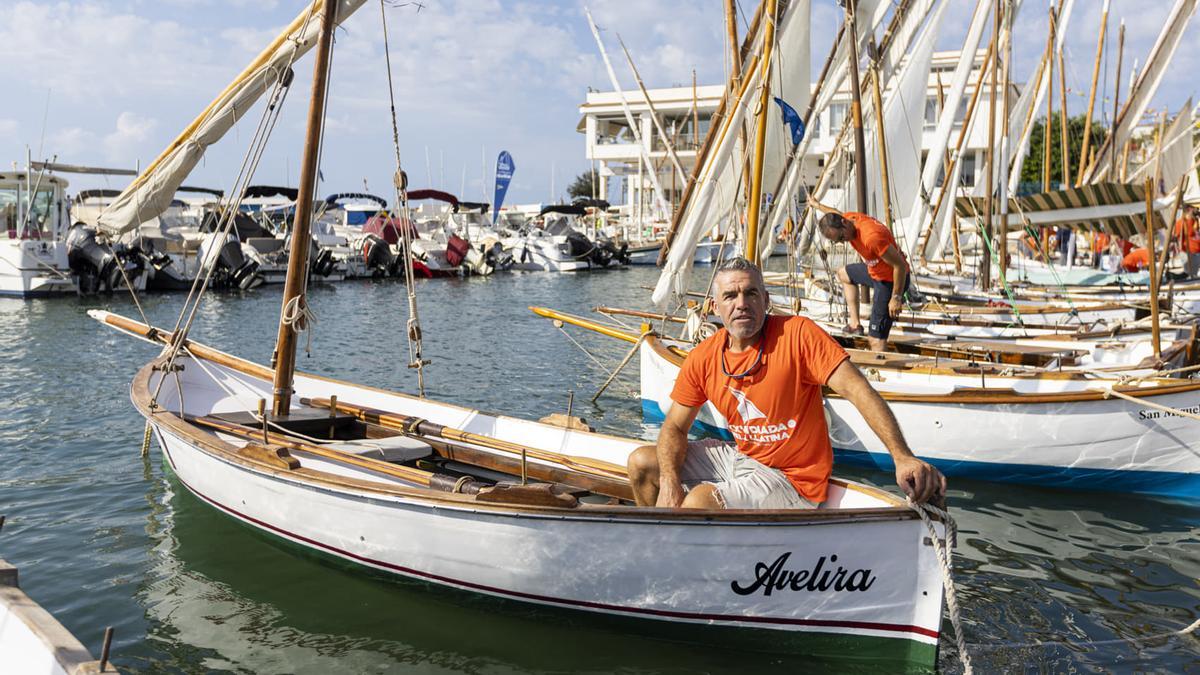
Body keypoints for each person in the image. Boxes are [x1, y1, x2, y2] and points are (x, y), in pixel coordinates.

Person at [626, 257, 945, 511]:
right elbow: (674, 428)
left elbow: (858, 390)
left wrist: (901, 457)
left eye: (750, 293)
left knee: (698, 501)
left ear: (765, 299)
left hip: (794, 480)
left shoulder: (799, 335)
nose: (741, 303)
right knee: (642, 464)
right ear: (715, 307)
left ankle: (694, 563)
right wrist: (669, 480)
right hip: (743, 460)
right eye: (730, 296)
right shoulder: (705, 356)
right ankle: (664, 549)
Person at [817, 211, 911, 351]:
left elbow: (900, 266)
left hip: (890, 281)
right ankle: (855, 325)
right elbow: (831, 211)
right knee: (843, 274)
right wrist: (816, 204)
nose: (844, 241)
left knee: (875, 340)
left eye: (842, 237)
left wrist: (896, 297)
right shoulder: (849, 217)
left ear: (844, 222)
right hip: (874, 272)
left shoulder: (871, 237)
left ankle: (879, 369)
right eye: (839, 240)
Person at [1173, 205, 1200, 277]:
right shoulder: (1181, 223)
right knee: (1191, 276)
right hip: (1188, 253)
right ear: (1189, 209)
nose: (1196, 209)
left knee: (1194, 276)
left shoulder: (1195, 220)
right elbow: (1175, 237)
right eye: (1194, 208)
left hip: (1196, 253)